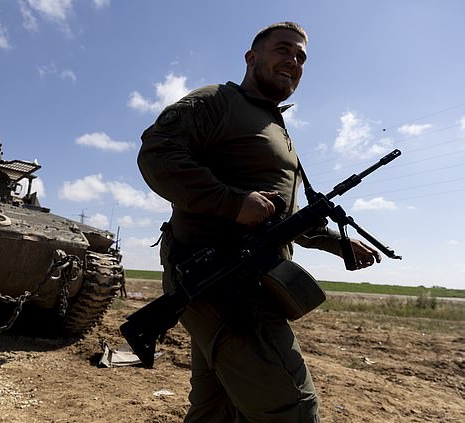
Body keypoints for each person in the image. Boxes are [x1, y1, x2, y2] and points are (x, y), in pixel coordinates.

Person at [137, 22, 382, 422]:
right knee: (293, 410)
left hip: (241, 283)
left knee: (217, 409)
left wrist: (338, 244)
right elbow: (157, 153)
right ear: (252, 57)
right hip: (222, 284)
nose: (294, 60)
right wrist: (232, 203)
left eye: (301, 57)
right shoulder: (218, 102)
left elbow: (282, 219)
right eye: (284, 50)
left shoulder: (275, 127)